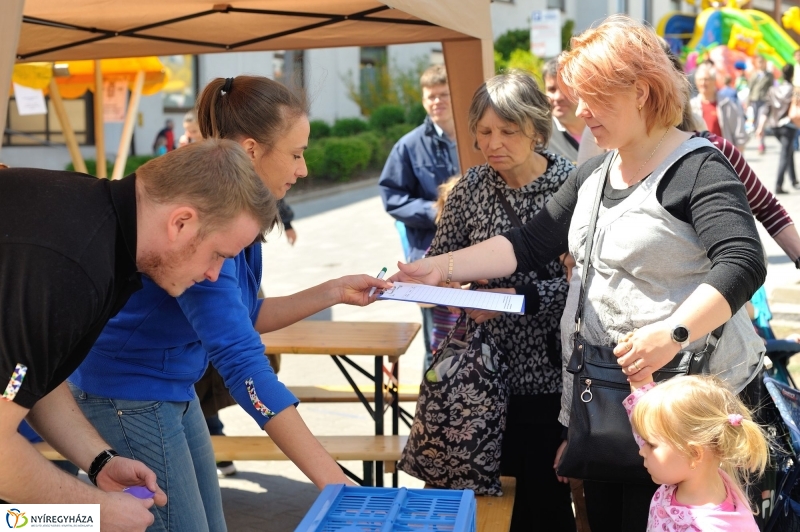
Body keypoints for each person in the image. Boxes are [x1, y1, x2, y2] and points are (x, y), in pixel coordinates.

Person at [390, 15, 766, 531]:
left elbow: (743, 261)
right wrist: (437, 268)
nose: (580, 112)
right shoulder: (596, 170)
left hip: (684, 413)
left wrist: (673, 332)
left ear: (641, 91)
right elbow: (528, 243)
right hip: (612, 406)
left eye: (594, 97)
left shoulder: (699, 167)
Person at [68, 75, 389, 532]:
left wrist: (333, 291)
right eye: (296, 154)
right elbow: (240, 359)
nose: (303, 170)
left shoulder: (232, 210)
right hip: (128, 392)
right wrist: (334, 482)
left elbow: (240, 318)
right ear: (252, 149)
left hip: (169, 387)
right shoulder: (208, 218)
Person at [0, 139, 276, 530]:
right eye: (218, 255)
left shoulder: (102, 227)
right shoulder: (74, 268)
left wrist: (100, 461)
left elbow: (29, 379)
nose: (215, 275)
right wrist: (94, 512)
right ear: (181, 222)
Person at [427, 71, 574, 531]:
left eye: (508, 131)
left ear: (536, 127)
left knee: (544, 505)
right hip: (482, 377)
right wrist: (442, 284)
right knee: (486, 505)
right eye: (485, 131)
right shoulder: (469, 189)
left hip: (551, 378)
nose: (493, 143)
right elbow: (441, 262)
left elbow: (589, 290)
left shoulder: (570, 188)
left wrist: (522, 297)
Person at [379, 64, 460, 369]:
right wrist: (433, 211)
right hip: (428, 255)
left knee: (472, 338)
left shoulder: (475, 137)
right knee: (436, 343)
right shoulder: (409, 146)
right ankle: (433, 410)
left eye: (443, 95)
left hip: (472, 258)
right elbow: (392, 197)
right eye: (431, 97)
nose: (437, 102)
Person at [621, 373, 768, 531]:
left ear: (694, 454)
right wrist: (639, 375)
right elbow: (647, 426)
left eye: (651, 445)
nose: (642, 451)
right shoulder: (696, 469)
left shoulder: (709, 527)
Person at [691, 62, 748, 152]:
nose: (703, 83)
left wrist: (737, 154)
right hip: (701, 156)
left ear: (714, 81)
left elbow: (739, 132)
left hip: (724, 155)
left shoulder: (726, 104)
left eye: (706, 79)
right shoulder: (692, 106)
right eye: (700, 80)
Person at [543, 57, 586, 164]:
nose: (558, 97)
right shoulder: (540, 136)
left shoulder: (604, 126)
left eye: (565, 89)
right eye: (552, 89)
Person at [766, 63, 798, 194]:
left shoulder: (773, 89)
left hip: (774, 126)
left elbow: (768, 107)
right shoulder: (794, 89)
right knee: (785, 154)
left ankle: (793, 179)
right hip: (788, 125)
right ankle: (778, 185)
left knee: (788, 150)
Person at [749, 55, 774, 154]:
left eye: (762, 62)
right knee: (756, 123)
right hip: (755, 100)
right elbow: (750, 88)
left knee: (761, 123)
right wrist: (748, 102)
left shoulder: (769, 75)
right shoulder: (754, 74)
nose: (760, 64)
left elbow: (772, 88)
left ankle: (761, 144)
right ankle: (761, 142)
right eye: (758, 62)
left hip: (765, 101)